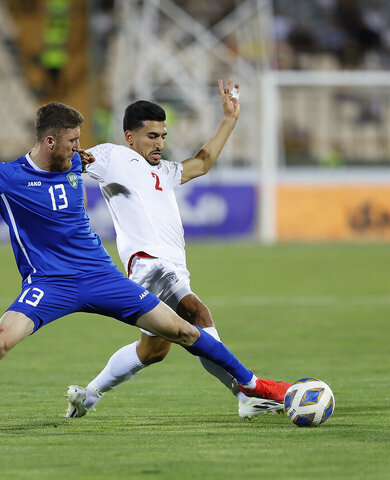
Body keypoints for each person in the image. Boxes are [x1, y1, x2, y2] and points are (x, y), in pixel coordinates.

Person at [0, 102, 289, 434]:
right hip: (49, 284)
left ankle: (253, 386)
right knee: (1, 340)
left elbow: (155, 164)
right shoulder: (7, 176)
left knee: (182, 329)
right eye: (72, 141)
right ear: (50, 140)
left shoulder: (77, 162)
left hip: (102, 277)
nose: (79, 148)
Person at [64, 80, 285, 420]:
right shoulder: (113, 157)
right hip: (150, 263)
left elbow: (204, 162)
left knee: (153, 350)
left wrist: (229, 119)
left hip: (163, 266)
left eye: (163, 136)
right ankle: (245, 394)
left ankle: (89, 394)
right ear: (130, 136)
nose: (160, 143)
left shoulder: (165, 172)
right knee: (197, 313)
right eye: (152, 135)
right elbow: (72, 161)